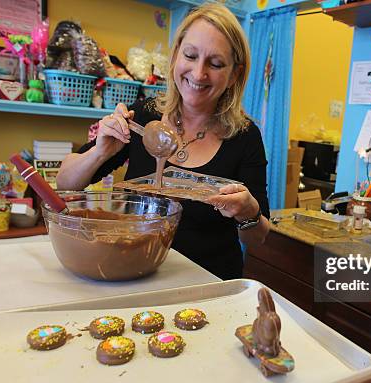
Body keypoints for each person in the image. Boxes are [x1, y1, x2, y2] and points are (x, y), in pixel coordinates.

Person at [56, 3, 270, 280]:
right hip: (135, 271)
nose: (199, 73)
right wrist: (99, 152)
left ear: (235, 75)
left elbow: (257, 238)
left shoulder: (245, 137)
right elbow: (64, 183)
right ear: (175, 57)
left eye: (216, 64)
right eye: (190, 56)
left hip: (210, 283)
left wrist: (249, 212)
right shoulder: (143, 116)